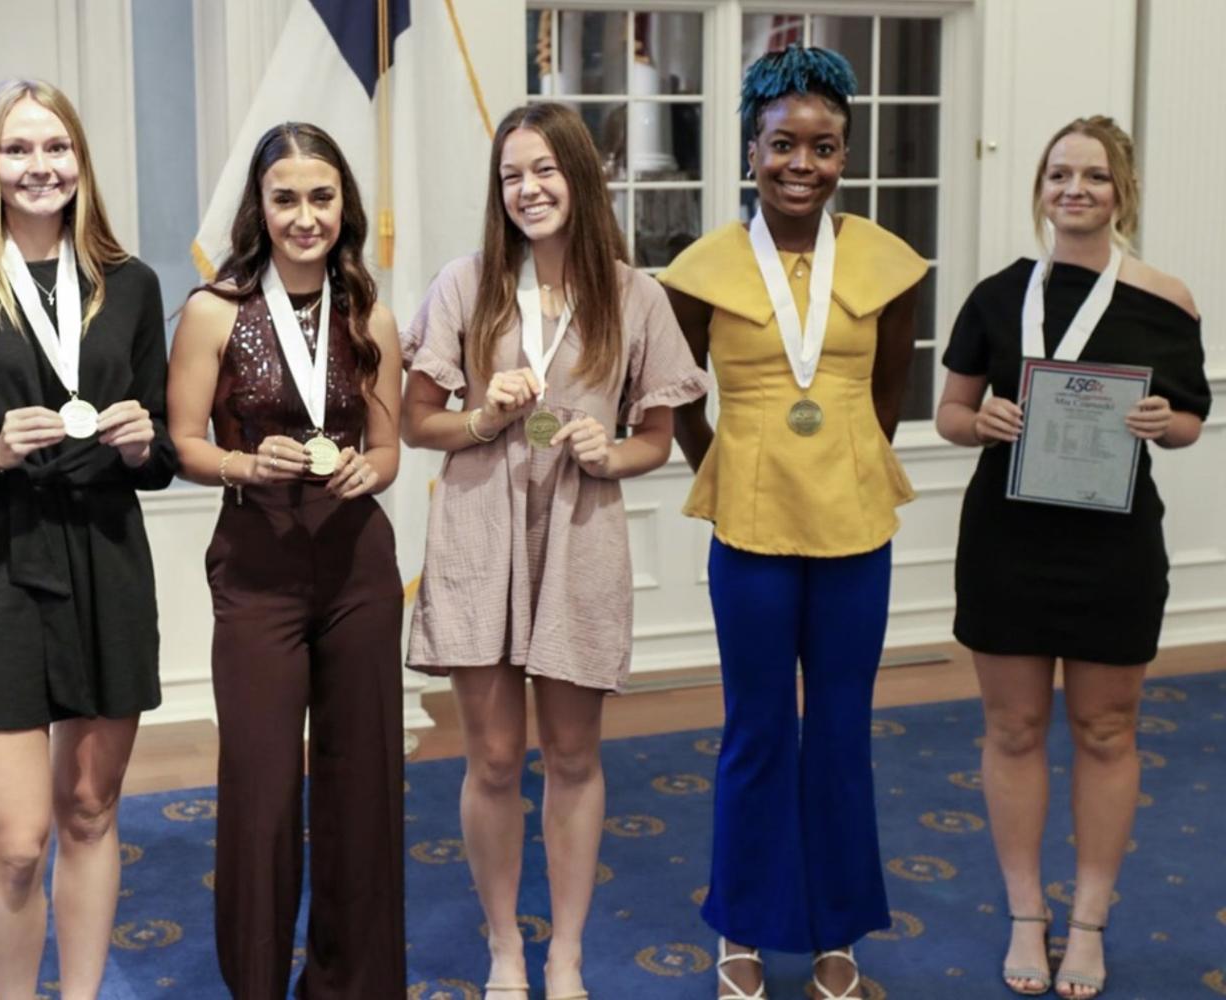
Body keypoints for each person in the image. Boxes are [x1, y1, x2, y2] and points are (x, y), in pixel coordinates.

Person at [402, 101, 708, 1000]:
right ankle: (505, 946)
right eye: (511, 175)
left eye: (544, 170)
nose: (527, 189)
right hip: (480, 529)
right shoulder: (465, 283)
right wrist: (483, 416)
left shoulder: (634, 294)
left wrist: (611, 453)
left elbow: (657, 437)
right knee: (494, 759)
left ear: (579, 175)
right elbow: (418, 423)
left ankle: (565, 952)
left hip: (578, 531)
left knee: (573, 757)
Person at [0, 79, 177, 1000]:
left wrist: (142, 443)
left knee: (91, 809)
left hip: (106, 557)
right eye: (18, 149)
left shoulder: (130, 284)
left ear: (80, 160)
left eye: (56, 147)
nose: (39, 166)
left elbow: (163, 452)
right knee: (17, 843)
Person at [657, 46, 927, 1000]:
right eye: (781, 144)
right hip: (752, 533)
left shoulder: (887, 263)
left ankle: (834, 931)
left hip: (857, 532)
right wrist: (730, 465)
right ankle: (742, 924)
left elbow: (890, 393)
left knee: (843, 732)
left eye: (821, 146)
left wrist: (846, 458)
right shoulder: (702, 270)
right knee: (757, 730)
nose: (800, 163)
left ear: (844, 155)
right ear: (752, 152)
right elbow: (679, 393)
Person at [934, 116, 1208, 1000]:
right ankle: (1027, 913)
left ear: (1122, 191)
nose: (1075, 189)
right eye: (1059, 175)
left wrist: (1166, 422)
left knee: (1107, 730)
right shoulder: (997, 296)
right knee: (1013, 729)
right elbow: (949, 414)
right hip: (1007, 544)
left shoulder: (1168, 300)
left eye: (1093, 175)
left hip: (1113, 548)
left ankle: (1087, 921)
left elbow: (1190, 421)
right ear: (1041, 189)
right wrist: (981, 421)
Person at [167, 121, 405, 1000]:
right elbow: (182, 443)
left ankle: (350, 987)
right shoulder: (214, 310)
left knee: (362, 786)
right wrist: (241, 463)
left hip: (357, 564)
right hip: (257, 563)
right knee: (263, 792)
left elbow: (389, 449)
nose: (306, 216)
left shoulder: (369, 312)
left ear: (345, 206)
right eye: (286, 199)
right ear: (259, 209)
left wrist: (370, 470)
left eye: (322, 197)